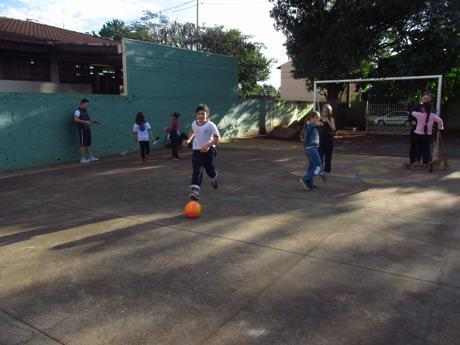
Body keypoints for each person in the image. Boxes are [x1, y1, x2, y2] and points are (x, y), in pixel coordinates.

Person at [183, 104, 220, 201]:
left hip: (210, 150)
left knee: (209, 169)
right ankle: (196, 192)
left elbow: (217, 139)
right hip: (197, 150)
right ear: (196, 114)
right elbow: (192, 131)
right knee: (197, 170)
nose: (200, 116)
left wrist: (207, 145)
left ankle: (214, 176)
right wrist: (189, 140)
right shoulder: (194, 123)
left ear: (207, 114)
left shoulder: (211, 125)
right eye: (199, 114)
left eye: (203, 113)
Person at [299, 111, 326, 191]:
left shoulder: (313, 126)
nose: (318, 119)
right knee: (318, 165)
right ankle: (305, 179)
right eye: (316, 118)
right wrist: (316, 124)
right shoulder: (310, 125)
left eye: (318, 118)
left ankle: (309, 184)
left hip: (311, 149)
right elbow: (311, 126)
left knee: (311, 167)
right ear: (311, 118)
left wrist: (318, 123)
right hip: (311, 149)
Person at [408, 91, 435, 163]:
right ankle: (414, 160)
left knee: (425, 147)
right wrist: (412, 121)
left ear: (430, 99)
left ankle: (426, 161)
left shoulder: (431, 107)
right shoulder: (416, 106)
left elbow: (434, 117)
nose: (426, 100)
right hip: (416, 131)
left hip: (426, 132)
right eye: (425, 98)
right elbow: (410, 115)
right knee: (415, 146)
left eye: (428, 99)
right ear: (422, 98)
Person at [74, 98, 100, 164]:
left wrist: (94, 121)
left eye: (87, 105)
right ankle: (82, 159)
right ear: (81, 104)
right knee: (82, 144)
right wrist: (85, 122)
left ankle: (91, 157)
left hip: (87, 129)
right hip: (82, 129)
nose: (86, 106)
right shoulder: (77, 111)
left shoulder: (85, 111)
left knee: (89, 144)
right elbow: (76, 119)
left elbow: (88, 119)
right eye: (86, 105)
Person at [318, 104, 336, 175]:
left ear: (329, 112)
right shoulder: (319, 118)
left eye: (326, 112)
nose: (324, 113)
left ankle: (327, 170)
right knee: (319, 155)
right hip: (320, 139)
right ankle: (319, 169)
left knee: (328, 156)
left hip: (328, 139)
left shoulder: (331, 119)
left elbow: (334, 129)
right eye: (323, 111)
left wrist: (328, 121)